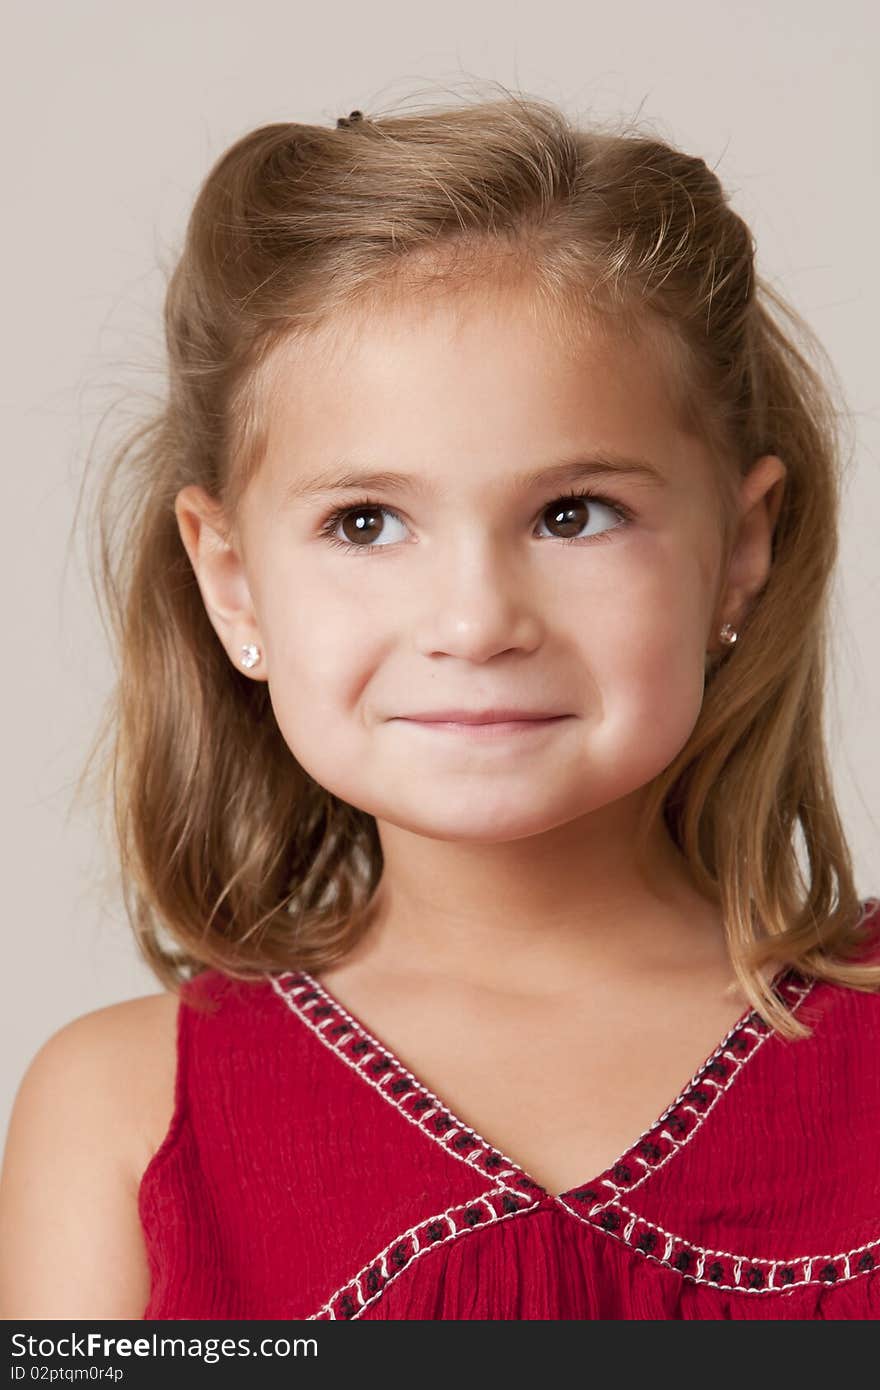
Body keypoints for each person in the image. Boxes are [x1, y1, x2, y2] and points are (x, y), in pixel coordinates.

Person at [1, 88, 878, 1322]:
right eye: (365, 522)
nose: (474, 624)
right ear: (233, 581)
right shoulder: (119, 1117)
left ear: (739, 546)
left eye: (573, 513)